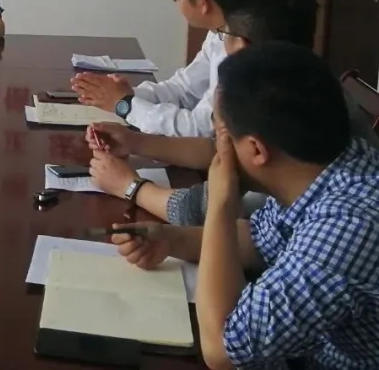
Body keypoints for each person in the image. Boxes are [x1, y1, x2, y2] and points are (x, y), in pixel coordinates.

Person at [110, 42, 379, 370]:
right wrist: (171, 239)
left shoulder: (347, 224)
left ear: (256, 150)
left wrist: (221, 201)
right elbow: (257, 240)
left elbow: (221, 349)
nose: (216, 147)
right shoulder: (325, 165)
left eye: (222, 135)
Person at [87, 0, 377, 224]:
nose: (219, 43)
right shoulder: (302, 81)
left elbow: (210, 209)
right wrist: (136, 142)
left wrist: (129, 186)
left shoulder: (277, 105)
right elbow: (220, 150)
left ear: (243, 45)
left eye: (223, 34)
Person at [72, 0, 248, 137]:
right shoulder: (219, 32)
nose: (176, 0)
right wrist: (129, 94)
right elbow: (184, 89)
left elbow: (202, 128)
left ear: (201, 2)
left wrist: (125, 105)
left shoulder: (242, 48)